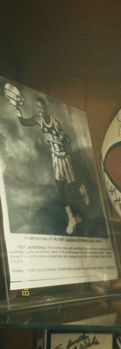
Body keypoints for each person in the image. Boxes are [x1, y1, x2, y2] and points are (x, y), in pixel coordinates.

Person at [4, 83, 89, 235]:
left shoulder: (54, 122)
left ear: (46, 108)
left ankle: (82, 190)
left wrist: (63, 139)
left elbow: (68, 140)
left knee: (73, 185)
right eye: (37, 108)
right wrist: (17, 109)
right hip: (55, 158)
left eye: (42, 107)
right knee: (61, 189)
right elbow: (23, 122)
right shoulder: (38, 119)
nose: (40, 110)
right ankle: (71, 218)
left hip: (65, 157)